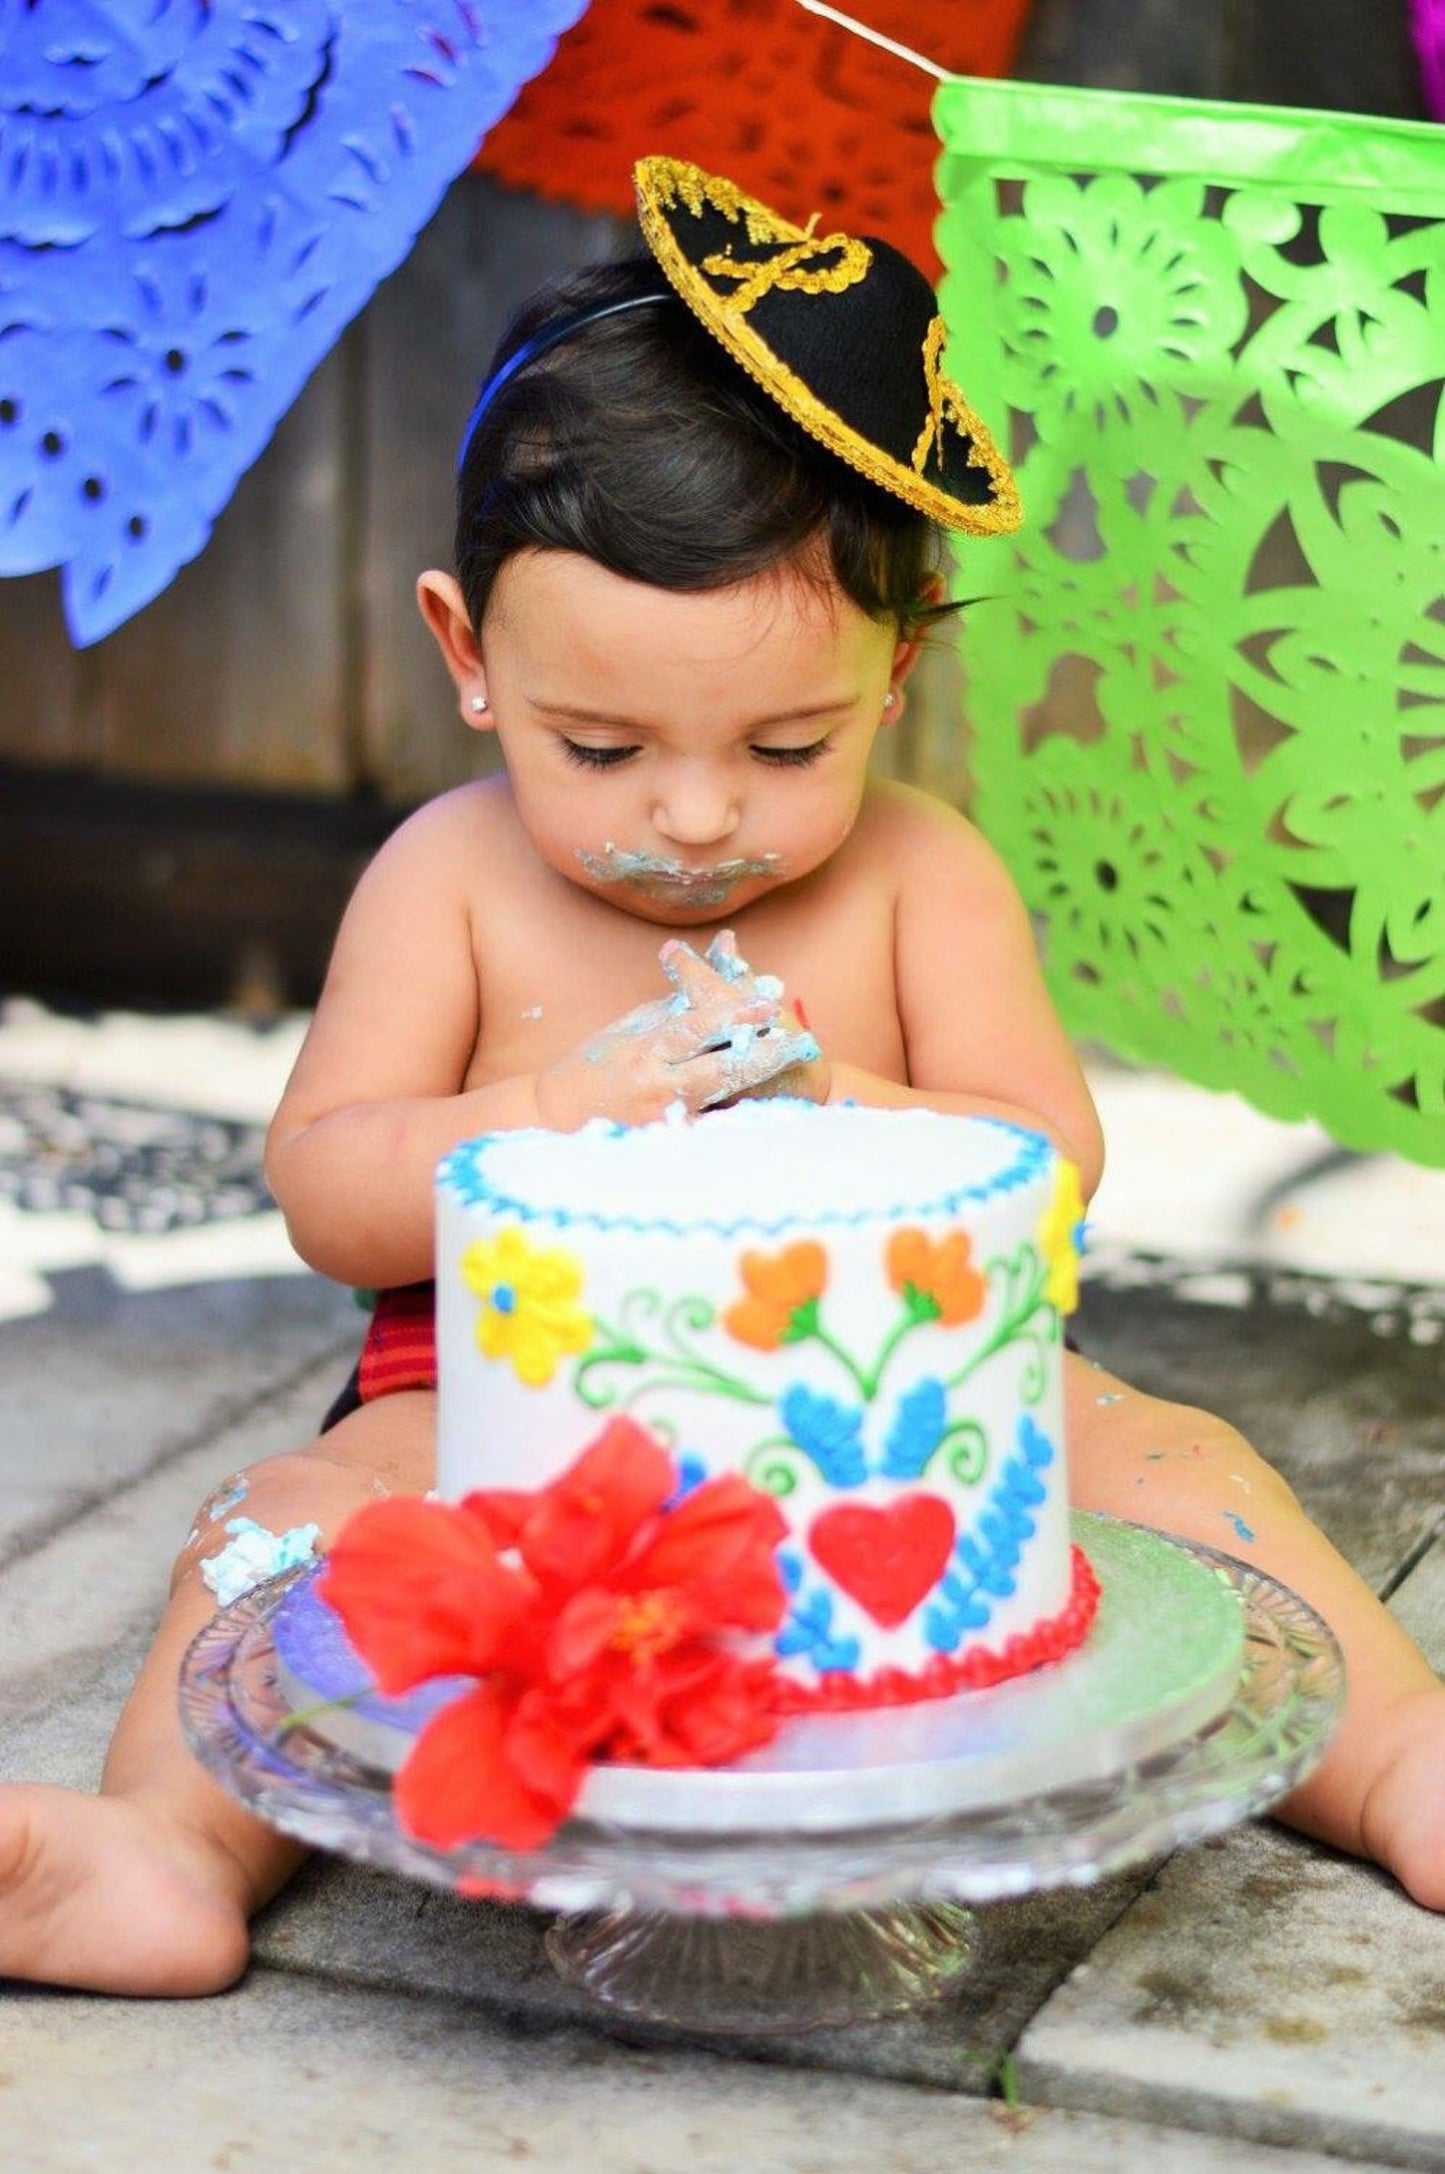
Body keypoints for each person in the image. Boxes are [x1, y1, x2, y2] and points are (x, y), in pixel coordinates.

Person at [1, 156, 1441, 1996]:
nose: (692, 817)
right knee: (297, 1521)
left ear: (898, 667)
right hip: (501, 1397)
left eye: (784, 743)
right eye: (598, 746)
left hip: (891, 1396)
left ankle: (1401, 1755)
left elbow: (1044, 1161)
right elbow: (326, 1186)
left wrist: (838, 1100)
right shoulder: (446, 881)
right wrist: (543, 1120)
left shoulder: (924, 878)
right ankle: (163, 1846)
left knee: (1178, 1459)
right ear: (467, 655)